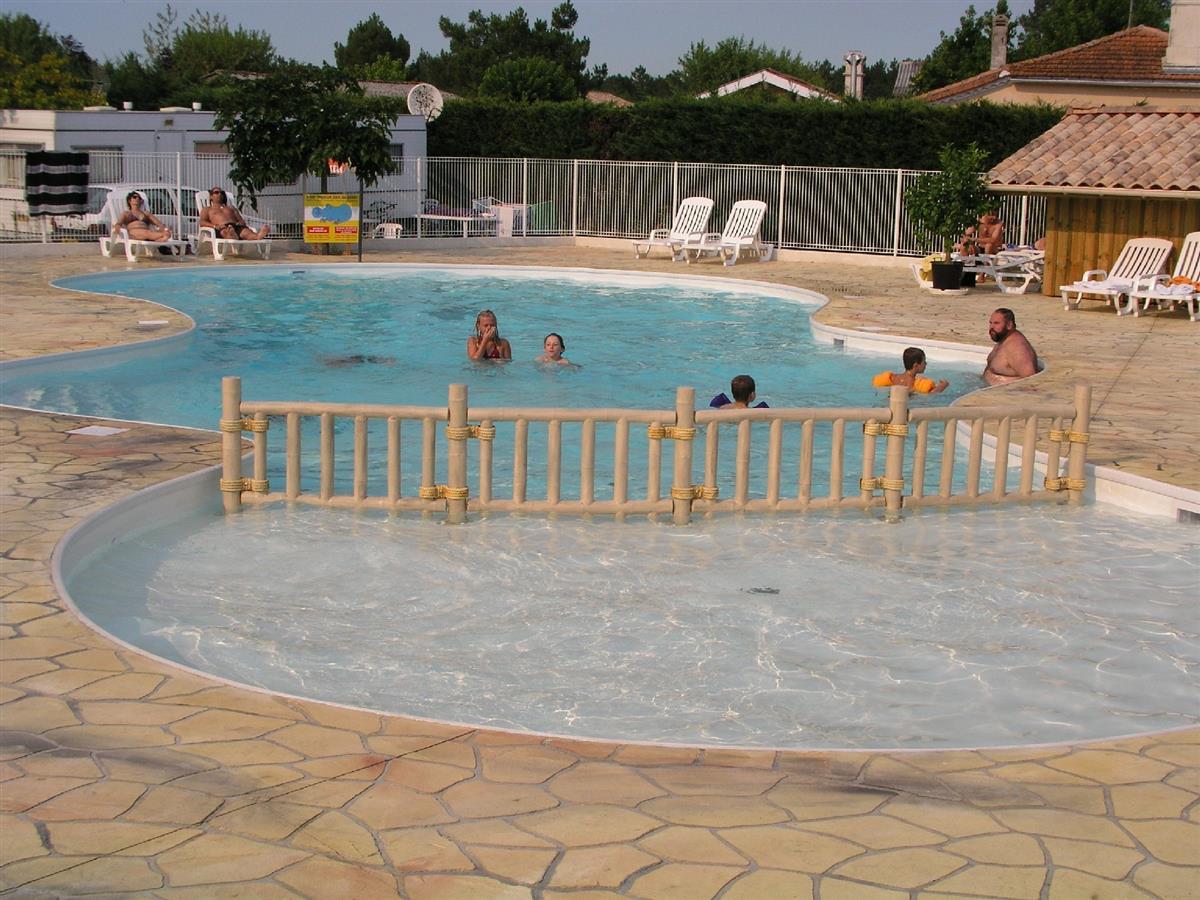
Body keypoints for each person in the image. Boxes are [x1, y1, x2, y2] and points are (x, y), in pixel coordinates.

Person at [983, 307, 1040, 385]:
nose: (991, 327)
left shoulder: (1018, 348)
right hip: (987, 388)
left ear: (1009, 325)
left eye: (996, 323)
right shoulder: (1003, 340)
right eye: (990, 323)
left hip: (1004, 391)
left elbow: (1031, 382)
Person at [200, 187, 270, 241]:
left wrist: (240, 223)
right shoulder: (207, 209)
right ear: (211, 197)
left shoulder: (231, 208)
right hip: (221, 228)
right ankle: (232, 236)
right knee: (225, 232)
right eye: (216, 192)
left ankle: (258, 236)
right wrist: (215, 226)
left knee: (246, 232)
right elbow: (202, 222)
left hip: (236, 227)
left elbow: (242, 221)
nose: (220, 194)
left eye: (221, 192)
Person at [872, 347, 949, 394]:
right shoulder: (913, 383)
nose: (926, 364)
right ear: (916, 365)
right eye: (924, 362)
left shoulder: (892, 378)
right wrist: (943, 385)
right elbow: (932, 394)